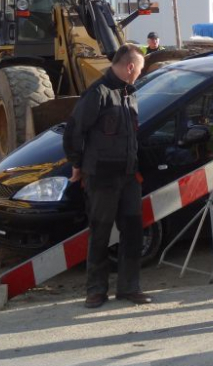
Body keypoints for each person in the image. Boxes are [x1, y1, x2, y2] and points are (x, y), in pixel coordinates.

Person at [63, 44, 153, 308]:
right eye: (140, 69)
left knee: (133, 233)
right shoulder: (98, 93)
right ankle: (96, 291)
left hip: (128, 177)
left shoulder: (129, 93)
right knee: (100, 234)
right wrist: (77, 165)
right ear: (130, 67)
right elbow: (74, 132)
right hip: (101, 177)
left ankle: (129, 288)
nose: (140, 74)